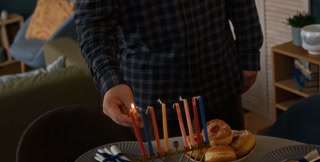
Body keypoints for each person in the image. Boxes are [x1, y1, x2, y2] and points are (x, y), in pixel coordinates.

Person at [74, 1, 263, 139]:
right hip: (154, 101)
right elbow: (93, 27)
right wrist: (110, 81)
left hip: (220, 80)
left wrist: (249, 52)